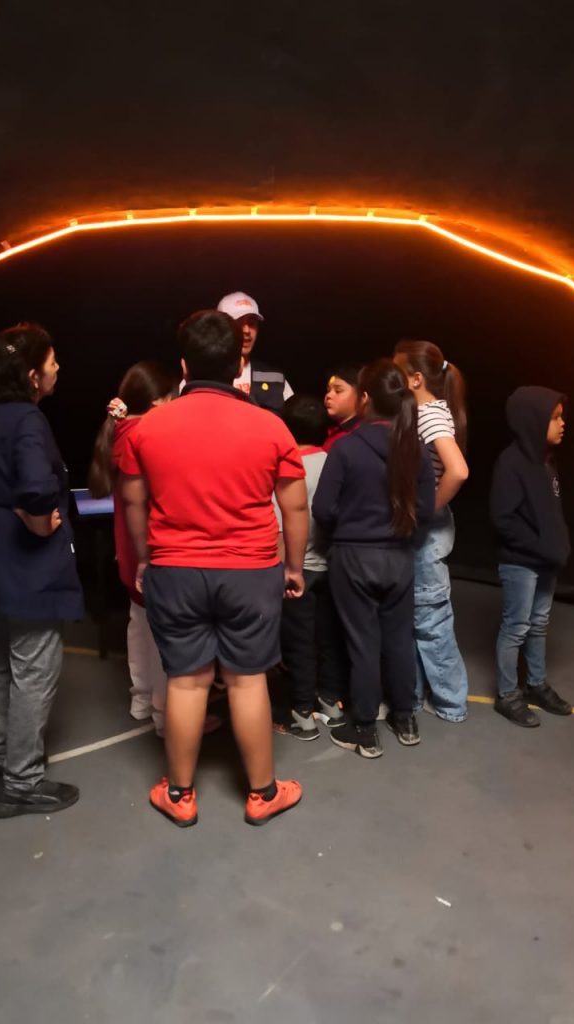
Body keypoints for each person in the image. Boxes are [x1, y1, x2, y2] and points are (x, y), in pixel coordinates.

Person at [119, 310, 308, 827]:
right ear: (237, 367)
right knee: (248, 681)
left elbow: (133, 502)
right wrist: (294, 567)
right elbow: (295, 506)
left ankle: (179, 796)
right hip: (251, 571)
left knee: (186, 681)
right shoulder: (271, 426)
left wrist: (145, 558)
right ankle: (263, 793)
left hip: (175, 569)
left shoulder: (146, 428)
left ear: (184, 365)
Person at [0, 323, 82, 818]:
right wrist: (36, 518)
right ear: (31, 375)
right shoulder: (28, 419)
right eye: (51, 361)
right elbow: (35, 486)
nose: (57, 368)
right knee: (34, 668)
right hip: (28, 568)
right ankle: (21, 782)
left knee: (3, 662)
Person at [88, 362, 225, 736]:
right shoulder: (147, 438)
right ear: (155, 402)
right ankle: (169, 720)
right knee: (167, 635)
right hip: (152, 551)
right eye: (170, 398)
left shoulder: (120, 431)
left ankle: (142, 699)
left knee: (140, 625)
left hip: (128, 549)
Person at [313, 359, 436, 758]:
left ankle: (365, 728)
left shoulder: (346, 447)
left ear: (365, 399)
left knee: (362, 642)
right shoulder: (415, 450)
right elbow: (426, 509)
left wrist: (352, 523)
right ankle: (405, 718)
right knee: (399, 639)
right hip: (398, 557)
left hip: (353, 557)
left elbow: (323, 509)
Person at [393, 341, 470, 723]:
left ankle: (451, 703)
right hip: (423, 531)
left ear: (416, 378)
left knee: (430, 619)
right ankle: (422, 695)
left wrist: (427, 510)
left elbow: (458, 470)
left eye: (398, 372)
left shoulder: (430, 415)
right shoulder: (427, 411)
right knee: (419, 616)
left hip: (428, 532)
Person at [490, 386, 573, 727]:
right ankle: (508, 694)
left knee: (538, 624)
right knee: (517, 627)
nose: (562, 424)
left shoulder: (546, 461)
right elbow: (503, 520)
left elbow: (551, 514)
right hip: (520, 562)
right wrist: (543, 547)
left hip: (545, 561)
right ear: (534, 420)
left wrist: (557, 546)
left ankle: (536, 685)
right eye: (555, 418)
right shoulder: (511, 463)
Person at [273, 395, 348, 740]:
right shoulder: (336, 462)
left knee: (299, 642)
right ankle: (331, 703)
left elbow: (281, 527)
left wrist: (283, 571)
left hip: (298, 570)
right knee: (329, 636)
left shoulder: (286, 468)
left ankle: (302, 713)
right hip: (333, 565)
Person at [216, 291, 293, 413]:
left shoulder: (275, 378)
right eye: (238, 323)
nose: (247, 330)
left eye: (252, 323)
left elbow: (293, 419)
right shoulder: (204, 374)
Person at [323, 365, 365, 451]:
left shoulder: (361, 437)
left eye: (338, 391)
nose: (328, 395)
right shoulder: (334, 432)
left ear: (362, 396)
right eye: (328, 390)